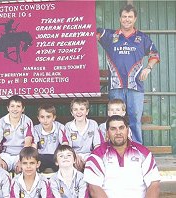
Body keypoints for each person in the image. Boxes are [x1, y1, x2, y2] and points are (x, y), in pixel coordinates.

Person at [97, 4, 160, 144]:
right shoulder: (109, 36)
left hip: (135, 86)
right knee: (115, 119)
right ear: (120, 18)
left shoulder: (142, 38)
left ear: (135, 18)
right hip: (115, 86)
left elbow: (154, 55)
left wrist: (148, 68)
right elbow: (88, 31)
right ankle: (114, 146)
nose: (127, 20)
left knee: (135, 119)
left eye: (130, 17)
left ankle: (136, 147)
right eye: (124, 17)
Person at [84, 115, 160, 198]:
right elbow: (94, 188)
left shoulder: (143, 152)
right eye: (113, 129)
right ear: (107, 132)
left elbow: (154, 184)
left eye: (121, 128)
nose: (118, 132)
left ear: (127, 130)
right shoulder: (97, 154)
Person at [0, 95, 33, 173]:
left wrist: (21, 160)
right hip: (5, 154)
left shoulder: (27, 121)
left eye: (18, 106)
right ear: (8, 108)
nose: (15, 109)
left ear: (23, 109)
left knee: (22, 169)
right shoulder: (1, 122)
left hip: (21, 153)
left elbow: (28, 143)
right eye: (12, 106)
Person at [64, 98, 102, 171]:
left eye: (82, 109)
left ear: (87, 111)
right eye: (75, 110)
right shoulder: (68, 126)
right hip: (74, 154)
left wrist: (91, 158)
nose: (79, 112)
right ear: (72, 112)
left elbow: (97, 145)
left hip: (89, 154)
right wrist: (75, 156)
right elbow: (68, 146)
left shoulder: (93, 124)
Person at [33, 104, 68, 173]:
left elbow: (65, 144)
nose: (45, 120)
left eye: (48, 117)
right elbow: (34, 145)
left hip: (56, 156)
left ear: (54, 117)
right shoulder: (36, 129)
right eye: (42, 117)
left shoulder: (60, 127)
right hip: (41, 157)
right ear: (38, 118)